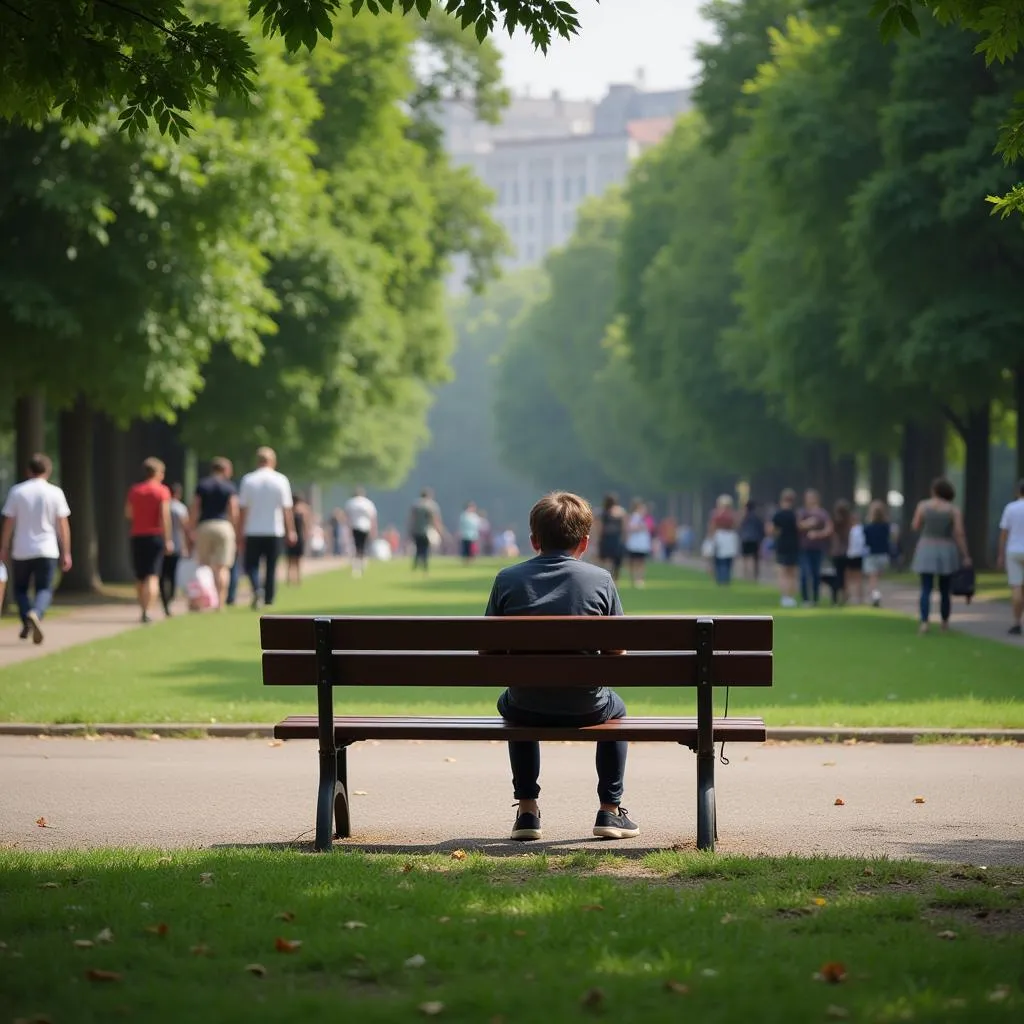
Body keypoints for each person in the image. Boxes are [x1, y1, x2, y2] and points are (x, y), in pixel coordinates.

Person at [486, 491, 638, 843]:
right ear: (584, 543)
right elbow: (617, 652)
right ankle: (610, 811)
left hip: (527, 704)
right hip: (586, 706)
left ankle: (526, 811)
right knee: (618, 710)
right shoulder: (601, 580)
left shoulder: (508, 579)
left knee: (515, 703)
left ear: (534, 540)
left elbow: (488, 649)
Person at [0, 453, 72, 644]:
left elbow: (9, 521)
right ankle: (36, 613)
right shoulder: (55, 492)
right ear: (48, 471)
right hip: (47, 548)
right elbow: (63, 525)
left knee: (21, 589)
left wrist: (4, 546)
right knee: (44, 589)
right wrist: (66, 551)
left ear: (28, 471)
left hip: (22, 548)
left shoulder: (17, 491)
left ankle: (27, 620)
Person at [238, 447, 296, 610]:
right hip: (274, 530)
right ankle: (269, 598)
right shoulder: (280, 480)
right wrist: (291, 530)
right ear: (273, 461)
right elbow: (286, 509)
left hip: (253, 530)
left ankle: (257, 589)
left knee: (252, 565)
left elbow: (242, 509)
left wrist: (239, 531)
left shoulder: (248, 480)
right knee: (271, 566)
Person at [911, 477, 970, 635]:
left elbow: (915, 525)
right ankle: (944, 622)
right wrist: (965, 554)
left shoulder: (923, 506)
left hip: (927, 547)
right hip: (946, 548)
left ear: (934, 491)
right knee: (945, 589)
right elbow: (959, 533)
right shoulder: (953, 510)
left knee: (926, 588)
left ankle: (924, 622)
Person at [125, 457, 173, 624]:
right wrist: (168, 539)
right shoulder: (162, 491)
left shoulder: (135, 490)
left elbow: (128, 514)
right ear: (158, 473)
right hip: (155, 536)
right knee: (152, 576)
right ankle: (148, 610)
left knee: (140, 576)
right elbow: (164, 517)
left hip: (137, 535)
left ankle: (142, 608)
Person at [191, 457, 238, 610]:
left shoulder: (202, 485)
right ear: (225, 469)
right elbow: (233, 510)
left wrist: (191, 528)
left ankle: (202, 600)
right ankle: (221, 602)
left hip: (205, 525)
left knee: (203, 565)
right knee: (222, 567)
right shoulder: (229, 486)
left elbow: (195, 508)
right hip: (223, 525)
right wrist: (235, 529)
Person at [997, 479, 1024, 635]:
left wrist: (1000, 554)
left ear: (1018, 491)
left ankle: (1016, 622)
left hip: (1013, 550)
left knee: (1016, 586)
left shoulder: (1011, 508)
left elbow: (1004, 533)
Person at [797, 489, 833, 606]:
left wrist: (818, 534)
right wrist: (808, 523)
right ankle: (805, 599)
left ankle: (815, 598)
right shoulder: (802, 512)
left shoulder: (822, 514)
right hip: (804, 548)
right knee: (804, 573)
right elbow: (797, 526)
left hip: (818, 548)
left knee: (816, 573)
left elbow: (829, 529)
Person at [160, 483, 190, 616]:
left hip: (161, 544)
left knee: (162, 573)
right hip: (176, 544)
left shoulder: (162, 506)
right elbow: (185, 527)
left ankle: (164, 599)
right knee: (172, 573)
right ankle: (170, 597)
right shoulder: (180, 508)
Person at [769, 488, 799, 608]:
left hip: (782, 545)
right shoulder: (794, 514)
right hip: (793, 544)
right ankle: (791, 597)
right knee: (792, 572)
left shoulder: (778, 514)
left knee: (782, 572)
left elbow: (773, 530)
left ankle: (784, 597)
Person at [863, 501, 892, 607]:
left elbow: (866, 542)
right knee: (879, 577)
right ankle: (878, 594)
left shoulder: (867, 527)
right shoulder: (886, 527)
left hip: (872, 554)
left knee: (872, 578)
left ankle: (875, 595)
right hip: (883, 554)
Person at [344, 487, 378, 578]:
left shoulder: (351, 503)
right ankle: (362, 564)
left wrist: (347, 528)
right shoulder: (367, 503)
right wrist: (374, 529)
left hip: (354, 526)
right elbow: (373, 517)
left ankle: (356, 566)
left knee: (357, 547)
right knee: (363, 546)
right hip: (365, 527)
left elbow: (347, 517)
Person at [706, 495, 739, 586]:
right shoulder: (732, 514)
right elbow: (736, 525)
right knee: (728, 560)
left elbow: (712, 526)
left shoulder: (716, 514)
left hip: (719, 536)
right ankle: (726, 578)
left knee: (719, 560)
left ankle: (720, 578)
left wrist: (710, 537)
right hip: (730, 536)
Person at [408, 488, 443, 571]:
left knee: (418, 549)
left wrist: (410, 529)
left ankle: (415, 566)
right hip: (426, 530)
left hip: (416, 530)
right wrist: (439, 530)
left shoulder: (415, 505)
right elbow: (435, 519)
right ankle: (425, 566)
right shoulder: (431, 506)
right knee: (425, 549)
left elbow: (411, 519)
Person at [595, 494, 626, 580]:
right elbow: (624, 528)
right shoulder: (621, 512)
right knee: (616, 562)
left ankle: (604, 578)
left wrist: (598, 539)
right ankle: (615, 580)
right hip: (617, 539)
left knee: (605, 561)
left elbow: (600, 529)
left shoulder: (602, 512)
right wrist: (624, 539)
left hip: (606, 539)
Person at [829, 500, 854, 605]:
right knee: (844, 576)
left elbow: (831, 535)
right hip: (846, 552)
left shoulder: (834, 521)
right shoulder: (849, 523)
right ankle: (844, 596)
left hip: (836, 552)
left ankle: (834, 598)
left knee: (836, 575)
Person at [624, 498, 652, 588]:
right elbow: (630, 528)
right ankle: (635, 579)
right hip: (635, 544)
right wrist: (640, 527)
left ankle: (639, 579)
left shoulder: (644, 518)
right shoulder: (634, 517)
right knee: (634, 562)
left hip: (641, 544)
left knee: (641, 562)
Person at [738, 500, 765, 581]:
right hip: (755, 539)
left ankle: (746, 575)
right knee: (755, 559)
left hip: (746, 538)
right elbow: (761, 528)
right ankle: (755, 575)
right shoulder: (757, 517)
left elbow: (740, 527)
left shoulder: (744, 517)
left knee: (745, 558)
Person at [286, 492, 309, 585]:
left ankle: (297, 579)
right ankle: (290, 578)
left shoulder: (302, 510)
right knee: (291, 559)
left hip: (298, 536)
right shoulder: (289, 510)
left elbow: (305, 524)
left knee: (297, 559)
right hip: (292, 536)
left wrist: (305, 534)